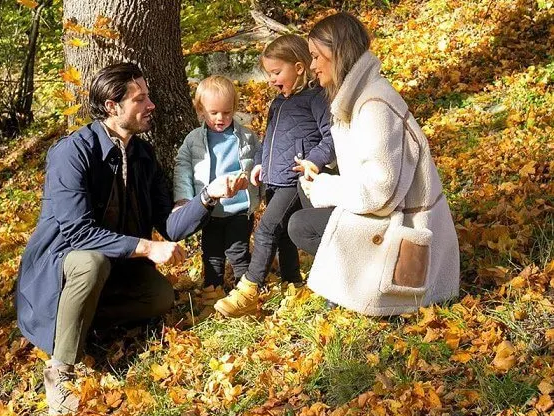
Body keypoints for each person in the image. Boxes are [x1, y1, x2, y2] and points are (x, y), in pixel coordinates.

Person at [15, 63, 247, 416]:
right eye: (140, 99)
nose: (151, 104)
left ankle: (80, 321)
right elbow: (77, 233)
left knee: (160, 297)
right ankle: (60, 369)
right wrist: (147, 247)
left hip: (116, 267)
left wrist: (208, 197)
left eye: (148, 96)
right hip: (60, 268)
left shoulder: (142, 154)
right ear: (112, 106)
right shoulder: (72, 153)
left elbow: (169, 226)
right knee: (90, 261)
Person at [288, 12, 460, 314]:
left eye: (316, 56)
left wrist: (328, 187)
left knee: (300, 225)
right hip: (389, 211)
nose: (312, 66)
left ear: (338, 53)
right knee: (307, 191)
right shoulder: (359, 97)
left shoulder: (374, 106)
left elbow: (381, 193)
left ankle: (354, 286)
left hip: (403, 228)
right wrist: (321, 179)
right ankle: (345, 280)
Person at [214, 34, 335, 317]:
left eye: (276, 72)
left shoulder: (315, 98)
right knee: (283, 235)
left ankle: (249, 289)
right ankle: (293, 281)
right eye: (268, 74)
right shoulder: (278, 103)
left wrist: (312, 162)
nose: (271, 79)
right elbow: (268, 141)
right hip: (273, 178)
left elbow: (332, 137)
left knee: (267, 228)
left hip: (297, 179)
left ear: (299, 67)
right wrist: (259, 162)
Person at [173, 75, 261, 312]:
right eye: (214, 113)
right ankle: (213, 288)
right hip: (210, 209)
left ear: (234, 109)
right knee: (211, 251)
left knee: (238, 249)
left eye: (227, 112)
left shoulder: (246, 137)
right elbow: (182, 167)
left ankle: (246, 291)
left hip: (239, 208)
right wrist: (184, 198)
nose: (220, 118)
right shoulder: (194, 140)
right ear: (201, 110)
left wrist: (259, 187)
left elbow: (261, 162)